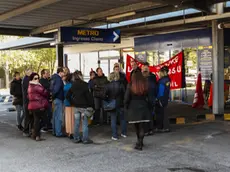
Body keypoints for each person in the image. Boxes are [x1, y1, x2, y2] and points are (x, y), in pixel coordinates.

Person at [124, 71, 153, 151]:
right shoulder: (146, 84)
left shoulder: (130, 85)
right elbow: (150, 97)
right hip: (143, 105)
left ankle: (139, 142)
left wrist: (125, 106)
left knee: (136, 125)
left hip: (133, 107)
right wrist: (150, 106)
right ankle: (140, 142)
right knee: (142, 126)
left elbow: (126, 98)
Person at [66, 71, 94, 144]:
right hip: (84, 107)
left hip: (76, 107)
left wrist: (73, 102)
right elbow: (89, 97)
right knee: (84, 123)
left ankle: (76, 138)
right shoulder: (85, 85)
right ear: (81, 76)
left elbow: (67, 96)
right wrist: (91, 105)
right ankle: (85, 139)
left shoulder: (73, 85)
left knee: (76, 123)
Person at [104, 72, 127, 141]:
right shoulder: (121, 84)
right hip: (121, 104)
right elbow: (125, 94)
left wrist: (108, 100)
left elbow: (104, 95)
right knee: (123, 119)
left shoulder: (108, 85)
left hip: (112, 104)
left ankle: (115, 135)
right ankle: (124, 133)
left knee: (113, 120)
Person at [28, 73, 49, 141]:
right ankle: (36, 134)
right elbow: (45, 92)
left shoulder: (30, 86)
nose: (37, 80)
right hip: (39, 105)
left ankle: (36, 135)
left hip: (33, 106)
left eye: (38, 78)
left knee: (36, 120)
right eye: (35, 78)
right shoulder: (37, 86)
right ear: (32, 79)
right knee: (44, 119)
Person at [141, 62, 157, 136]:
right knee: (150, 115)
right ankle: (150, 129)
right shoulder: (152, 77)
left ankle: (147, 130)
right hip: (150, 99)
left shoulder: (150, 77)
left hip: (146, 99)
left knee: (146, 115)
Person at [50, 67, 65, 137]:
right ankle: (58, 132)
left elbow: (52, 88)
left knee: (55, 116)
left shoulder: (53, 78)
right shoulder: (59, 79)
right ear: (60, 72)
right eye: (63, 72)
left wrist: (52, 96)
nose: (64, 74)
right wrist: (55, 95)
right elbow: (56, 89)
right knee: (58, 116)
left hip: (54, 99)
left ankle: (54, 131)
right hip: (58, 99)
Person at [155, 66, 171, 133]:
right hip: (165, 99)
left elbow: (161, 92)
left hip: (161, 99)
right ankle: (166, 127)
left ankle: (161, 127)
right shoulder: (167, 79)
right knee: (165, 113)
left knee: (160, 114)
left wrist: (158, 99)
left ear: (162, 72)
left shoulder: (162, 81)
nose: (158, 74)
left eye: (159, 72)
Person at [63, 73, 74, 139]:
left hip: (66, 103)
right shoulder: (73, 86)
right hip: (73, 103)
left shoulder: (65, 86)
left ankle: (69, 132)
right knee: (73, 119)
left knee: (68, 119)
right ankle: (73, 131)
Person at [22, 69, 33, 137]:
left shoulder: (27, 79)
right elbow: (28, 90)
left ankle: (30, 130)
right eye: (31, 72)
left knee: (30, 116)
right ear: (27, 73)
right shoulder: (26, 80)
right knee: (28, 116)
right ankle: (26, 130)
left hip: (28, 101)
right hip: (27, 101)